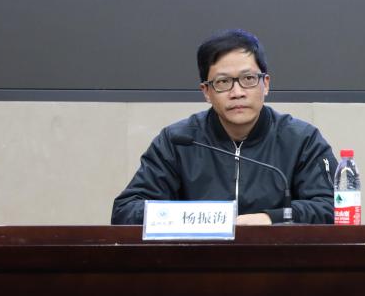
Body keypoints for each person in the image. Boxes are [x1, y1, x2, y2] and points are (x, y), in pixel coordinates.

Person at [111, 29, 336, 225]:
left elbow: (334, 208)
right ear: (206, 92)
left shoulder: (301, 140)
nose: (237, 92)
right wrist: (198, 218)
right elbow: (126, 211)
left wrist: (271, 218)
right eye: (223, 82)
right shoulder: (179, 141)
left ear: (265, 84)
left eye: (248, 79)